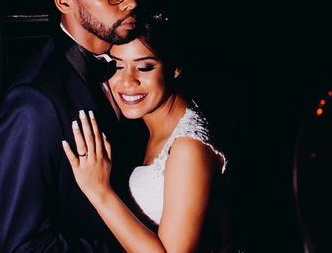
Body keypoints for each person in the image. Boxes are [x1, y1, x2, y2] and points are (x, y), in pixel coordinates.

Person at [0, 0, 146, 251]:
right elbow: (25, 246)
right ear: (64, 1)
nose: (130, 2)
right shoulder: (34, 104)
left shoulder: (125, 61)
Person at [63, 14, 227, 253]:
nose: (127, 81)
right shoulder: (148, 125)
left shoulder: (187, 148)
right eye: (117, 66)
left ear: (175, 68)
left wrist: (100, 192)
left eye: (144, 67)